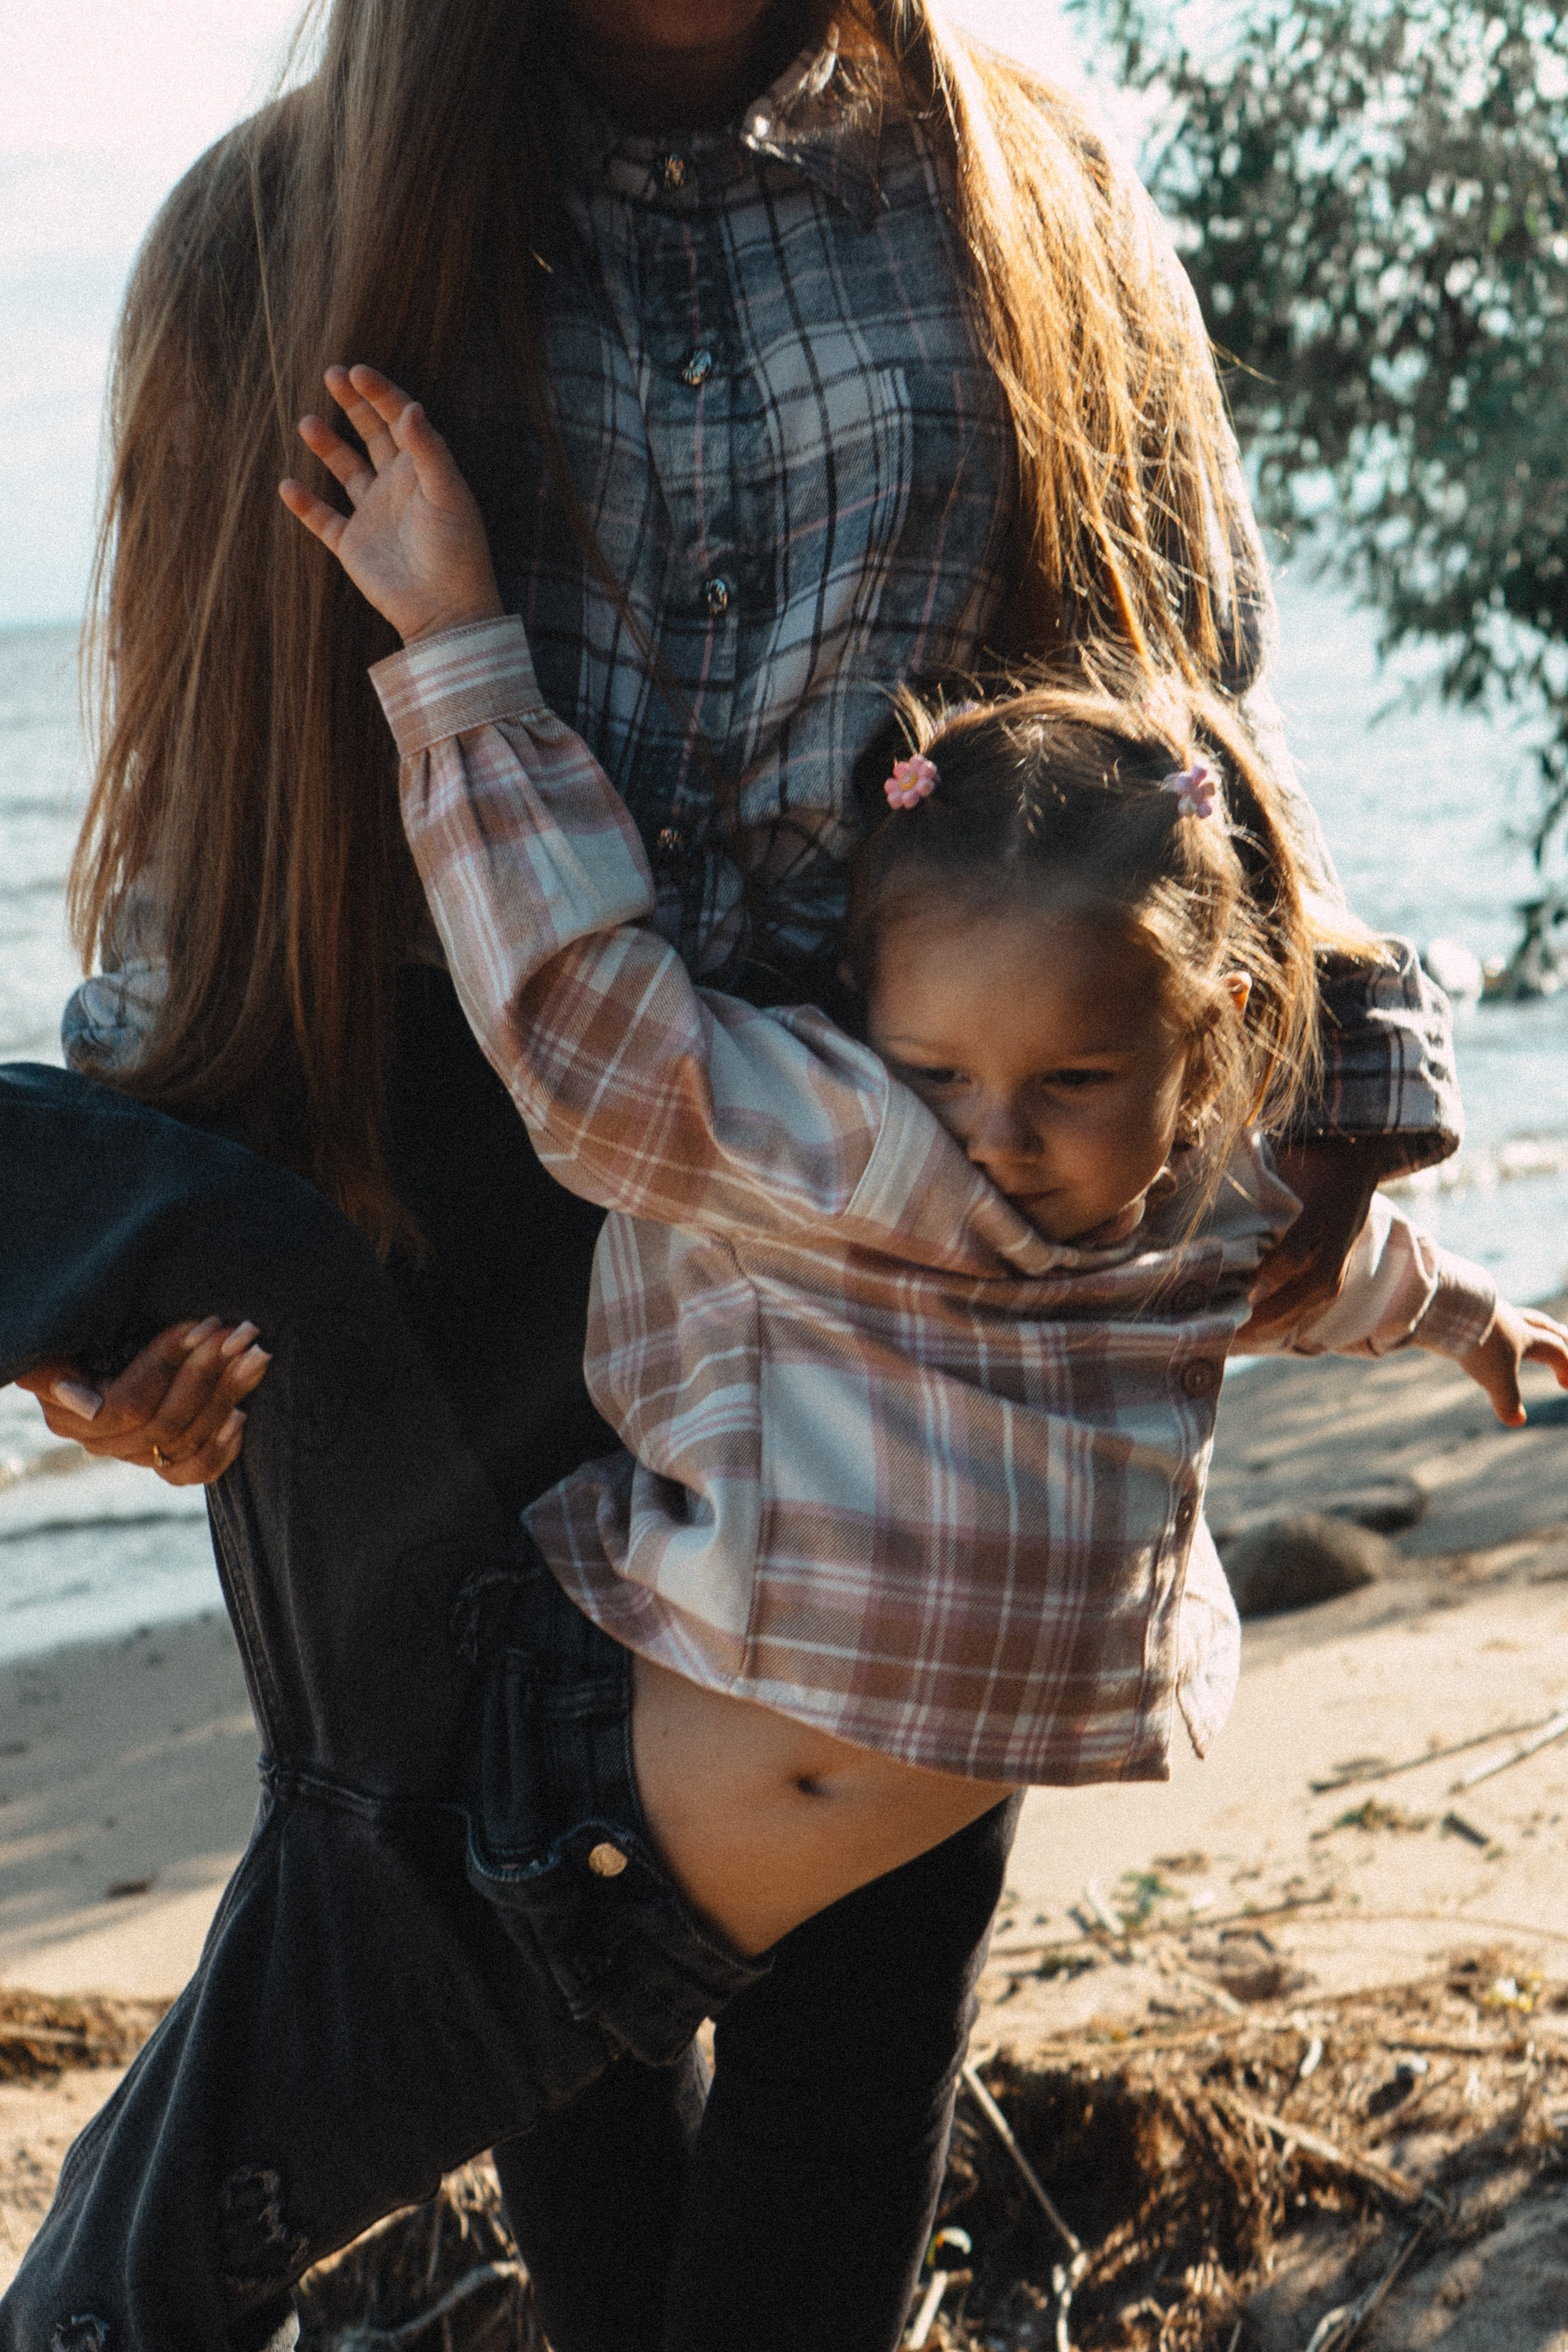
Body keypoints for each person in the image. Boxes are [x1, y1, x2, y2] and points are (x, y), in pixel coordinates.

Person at [16, 0, 1469, 2341]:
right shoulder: (270, 240)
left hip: (907, 1237)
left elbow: (1205, 762)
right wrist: (105, 1299)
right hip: (451, 1248)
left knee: (854, 2044)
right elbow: (200, 852)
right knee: (558, 2074)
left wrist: (1341, 1104)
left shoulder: (1034, 206)